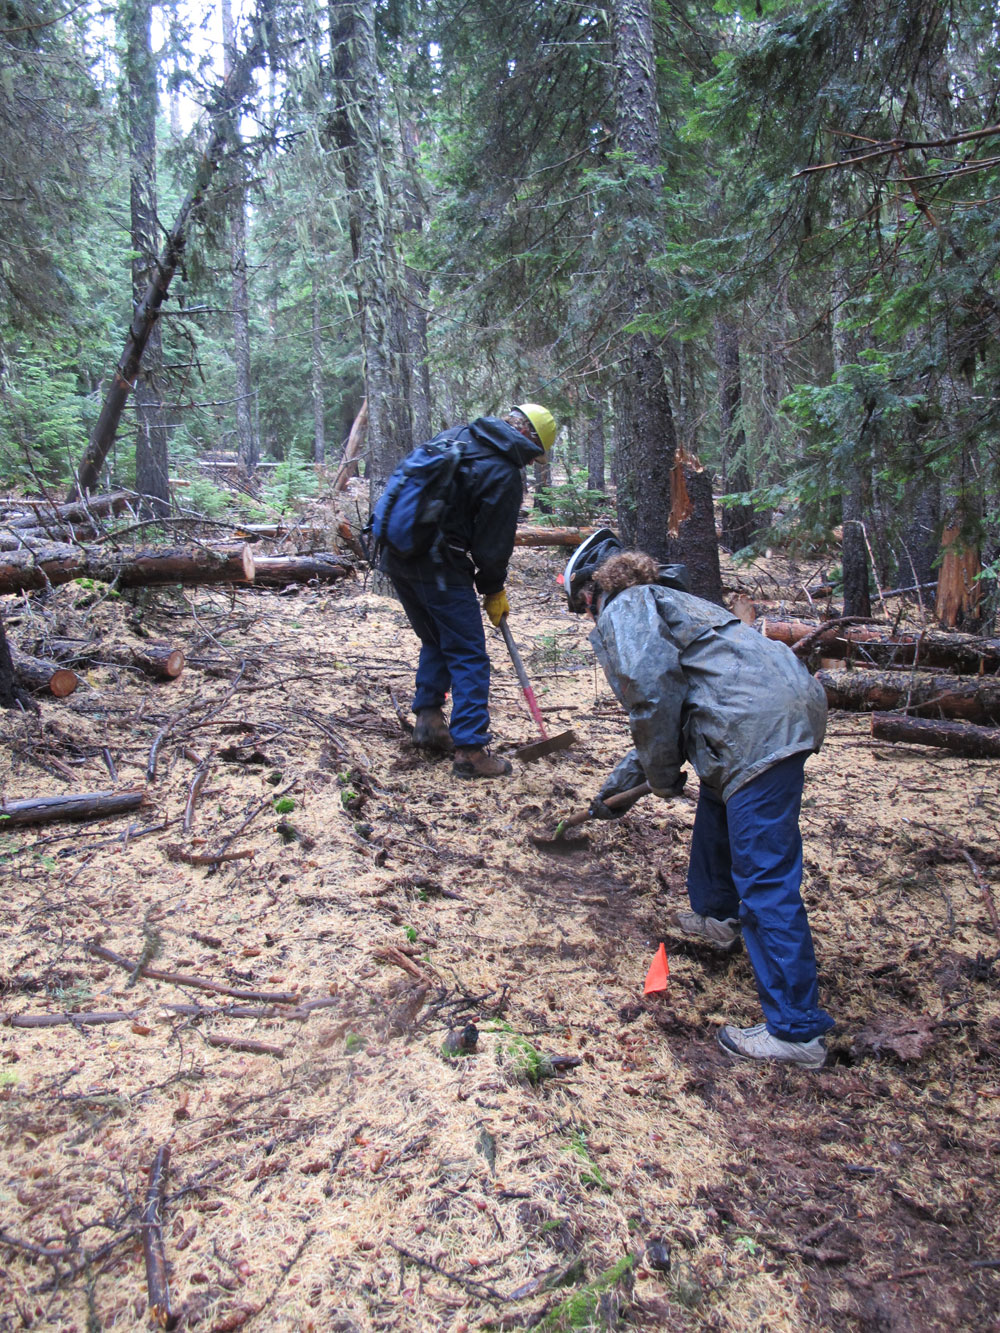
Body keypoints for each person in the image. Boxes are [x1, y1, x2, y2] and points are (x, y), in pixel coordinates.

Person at [563, 529, 834, 1068]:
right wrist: (620, 788)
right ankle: (716, 915)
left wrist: (661, 779)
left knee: (765, 875)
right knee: (719, 798)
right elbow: (672, 709)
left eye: (581, 605)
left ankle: (796, 1031)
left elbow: (653, 696)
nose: (587, 616)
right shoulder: (671, 599)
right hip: (775, 709)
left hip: (754, 725)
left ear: (593, 590)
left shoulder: (626, 606)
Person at [382, 404, 557, 779]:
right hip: (440, 567)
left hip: (397, 555)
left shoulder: (455, 436)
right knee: (469, 655)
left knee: (436, 639)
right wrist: (493, 587)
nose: (531, 462)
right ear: (530, 440)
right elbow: (493, 544)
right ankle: (471, 751)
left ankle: (428, 720)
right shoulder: (504, 471)